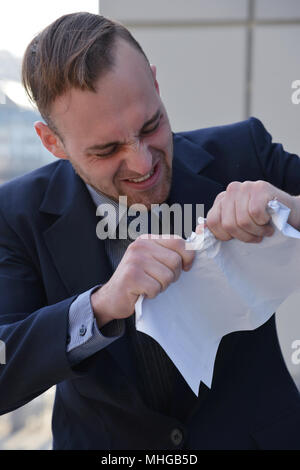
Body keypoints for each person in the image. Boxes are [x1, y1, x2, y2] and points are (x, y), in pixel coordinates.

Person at [0, 12, 300, 450]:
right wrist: (100, 306)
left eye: (151, 125)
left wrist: (290, 208)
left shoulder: (244, 151)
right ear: (53, 143)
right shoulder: (16, 213)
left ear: (156, 85)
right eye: (106, 150)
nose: (143, 164)